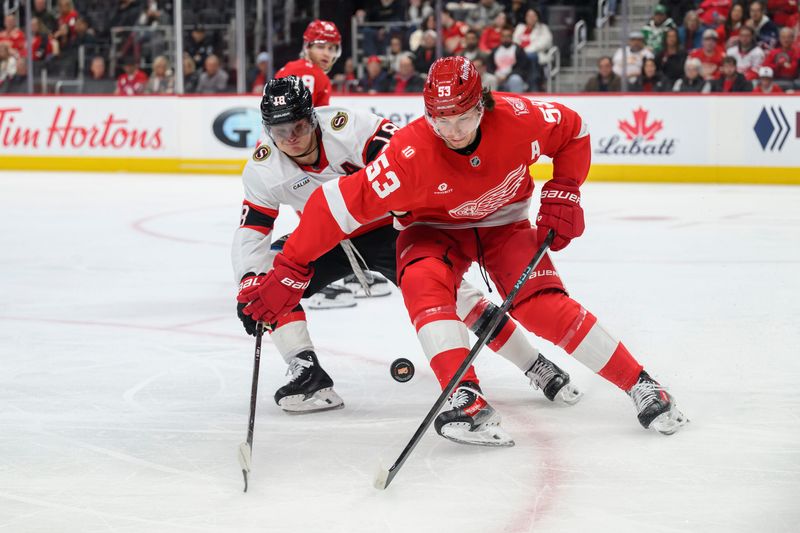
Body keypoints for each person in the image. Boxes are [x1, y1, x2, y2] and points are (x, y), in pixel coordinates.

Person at [238, 58, 688, 445]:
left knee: (543, 308)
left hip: (504, 223)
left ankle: (642, 384)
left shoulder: (521, 118)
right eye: (440, 118)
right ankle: (464, 397)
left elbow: (574, 130)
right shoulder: (409, 153)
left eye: (463, 117)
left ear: (483, 104)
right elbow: (330, 210)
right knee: (422, 280)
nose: (452, 131)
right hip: (433, 229)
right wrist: (289, 270)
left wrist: (566, 187)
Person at [232, 75, 582, 415]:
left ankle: (534, 363)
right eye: (280, 132)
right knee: (265, 287)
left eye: (299, 127)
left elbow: (406, 161)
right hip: (326, 239)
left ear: (313, 118)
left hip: (389, 227)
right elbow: (251, 232)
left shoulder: (348, 126)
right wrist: (249, 278)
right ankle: (305, 369)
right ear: (267, 131)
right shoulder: (263, 169)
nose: (291, 139)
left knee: (459, 297)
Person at [275, 20, 340, 106]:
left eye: (331, 48)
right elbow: (320, 118)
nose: (326, 54)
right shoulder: (320, 77)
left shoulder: (286, 69)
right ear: (307, 48)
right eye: (320, 47)